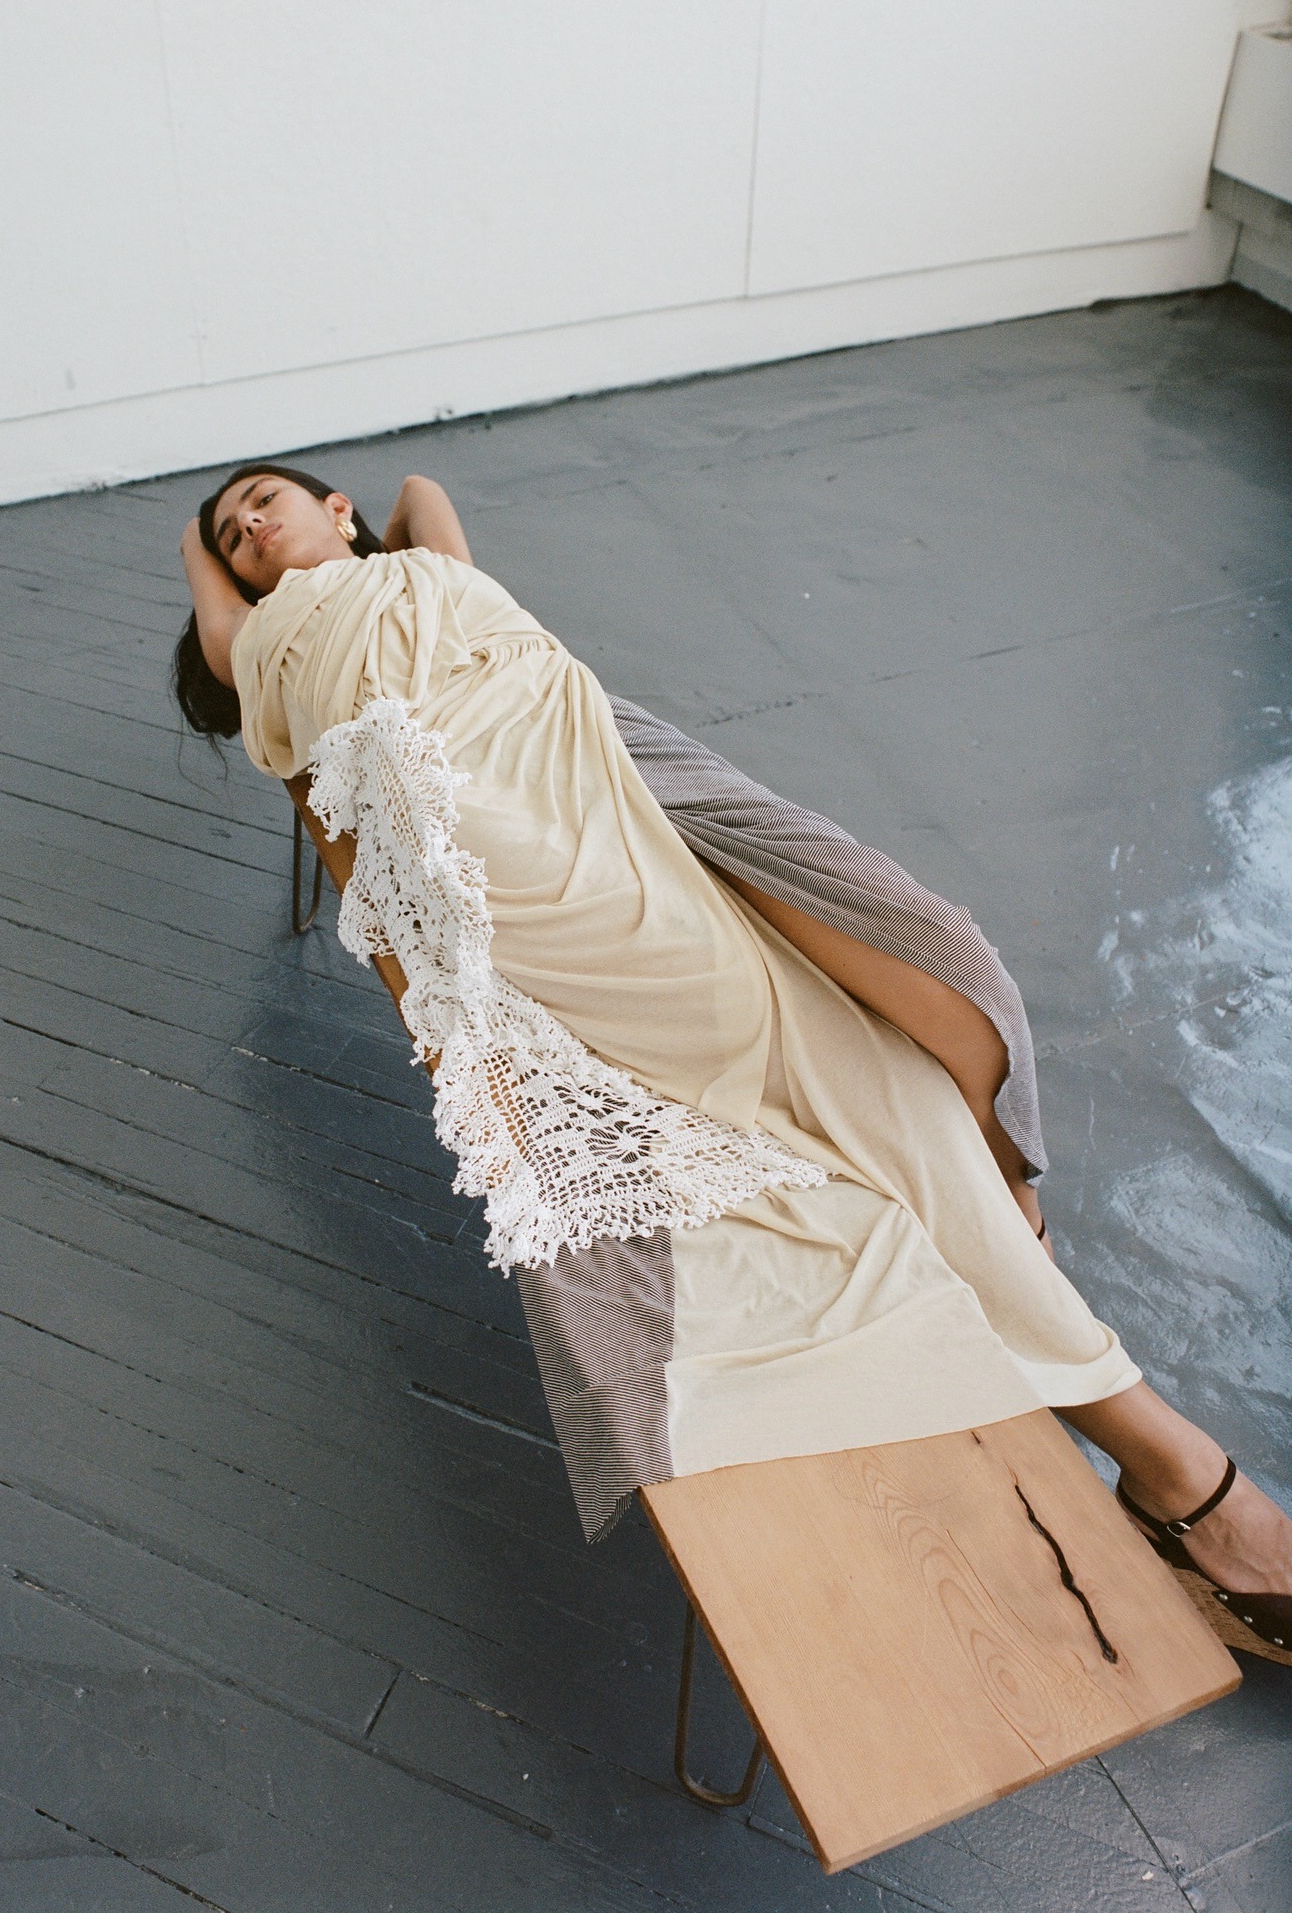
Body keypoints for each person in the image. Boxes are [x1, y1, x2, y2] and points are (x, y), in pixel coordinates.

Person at [174, 461, 1291, 1663]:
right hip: (493, 825)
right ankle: (1181, 1475)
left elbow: (421, 485)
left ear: (337, 511)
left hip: (580, 762)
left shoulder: (435, 571)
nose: (245, 530)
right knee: (790, 1054)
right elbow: (221, 604)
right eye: (231, 536)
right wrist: (220, 539)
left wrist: (359, 539)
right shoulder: (265, 639)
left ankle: (1162, 1454)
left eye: (265, 502)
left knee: (897, 1060)